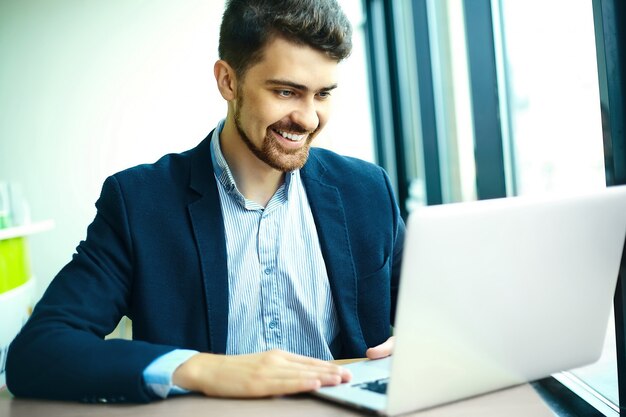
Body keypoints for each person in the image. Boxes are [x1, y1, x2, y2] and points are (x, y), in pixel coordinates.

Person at [6, 0, 405, 403]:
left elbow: (439, 318)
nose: (308, 118)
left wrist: (415, 343)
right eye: (286, 91)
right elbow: (37, 352)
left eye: (322, 95)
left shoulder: (368, 190)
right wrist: (200, 368)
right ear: (228, 81)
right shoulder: (139, 203)